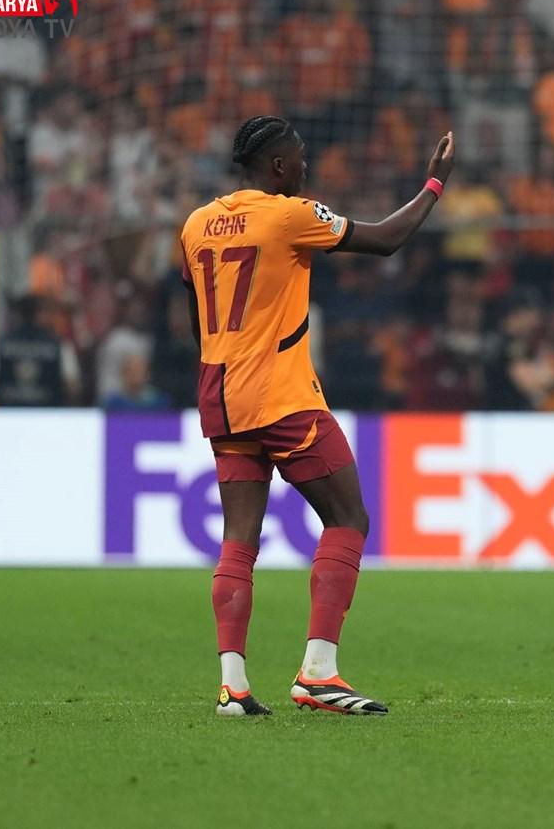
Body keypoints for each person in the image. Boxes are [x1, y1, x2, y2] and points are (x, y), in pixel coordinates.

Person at [179, 115, 455, 717]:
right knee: (348, 516)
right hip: (281, 395)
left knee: (238, 540)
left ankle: (232, 687)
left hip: (220, 396)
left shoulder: (196, 224)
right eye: (301, 157)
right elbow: (385, 239)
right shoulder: (289, 214)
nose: (307, 167)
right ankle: (318, 673)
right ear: (278, 166)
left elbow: (201, 309)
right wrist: (433, 185)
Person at [0, 295, 80, 407]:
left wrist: (6, 386)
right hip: (47, 414)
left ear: (18, 315)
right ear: (38, 315)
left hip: (9, 413)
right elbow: (73, 387)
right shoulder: (59, 345)